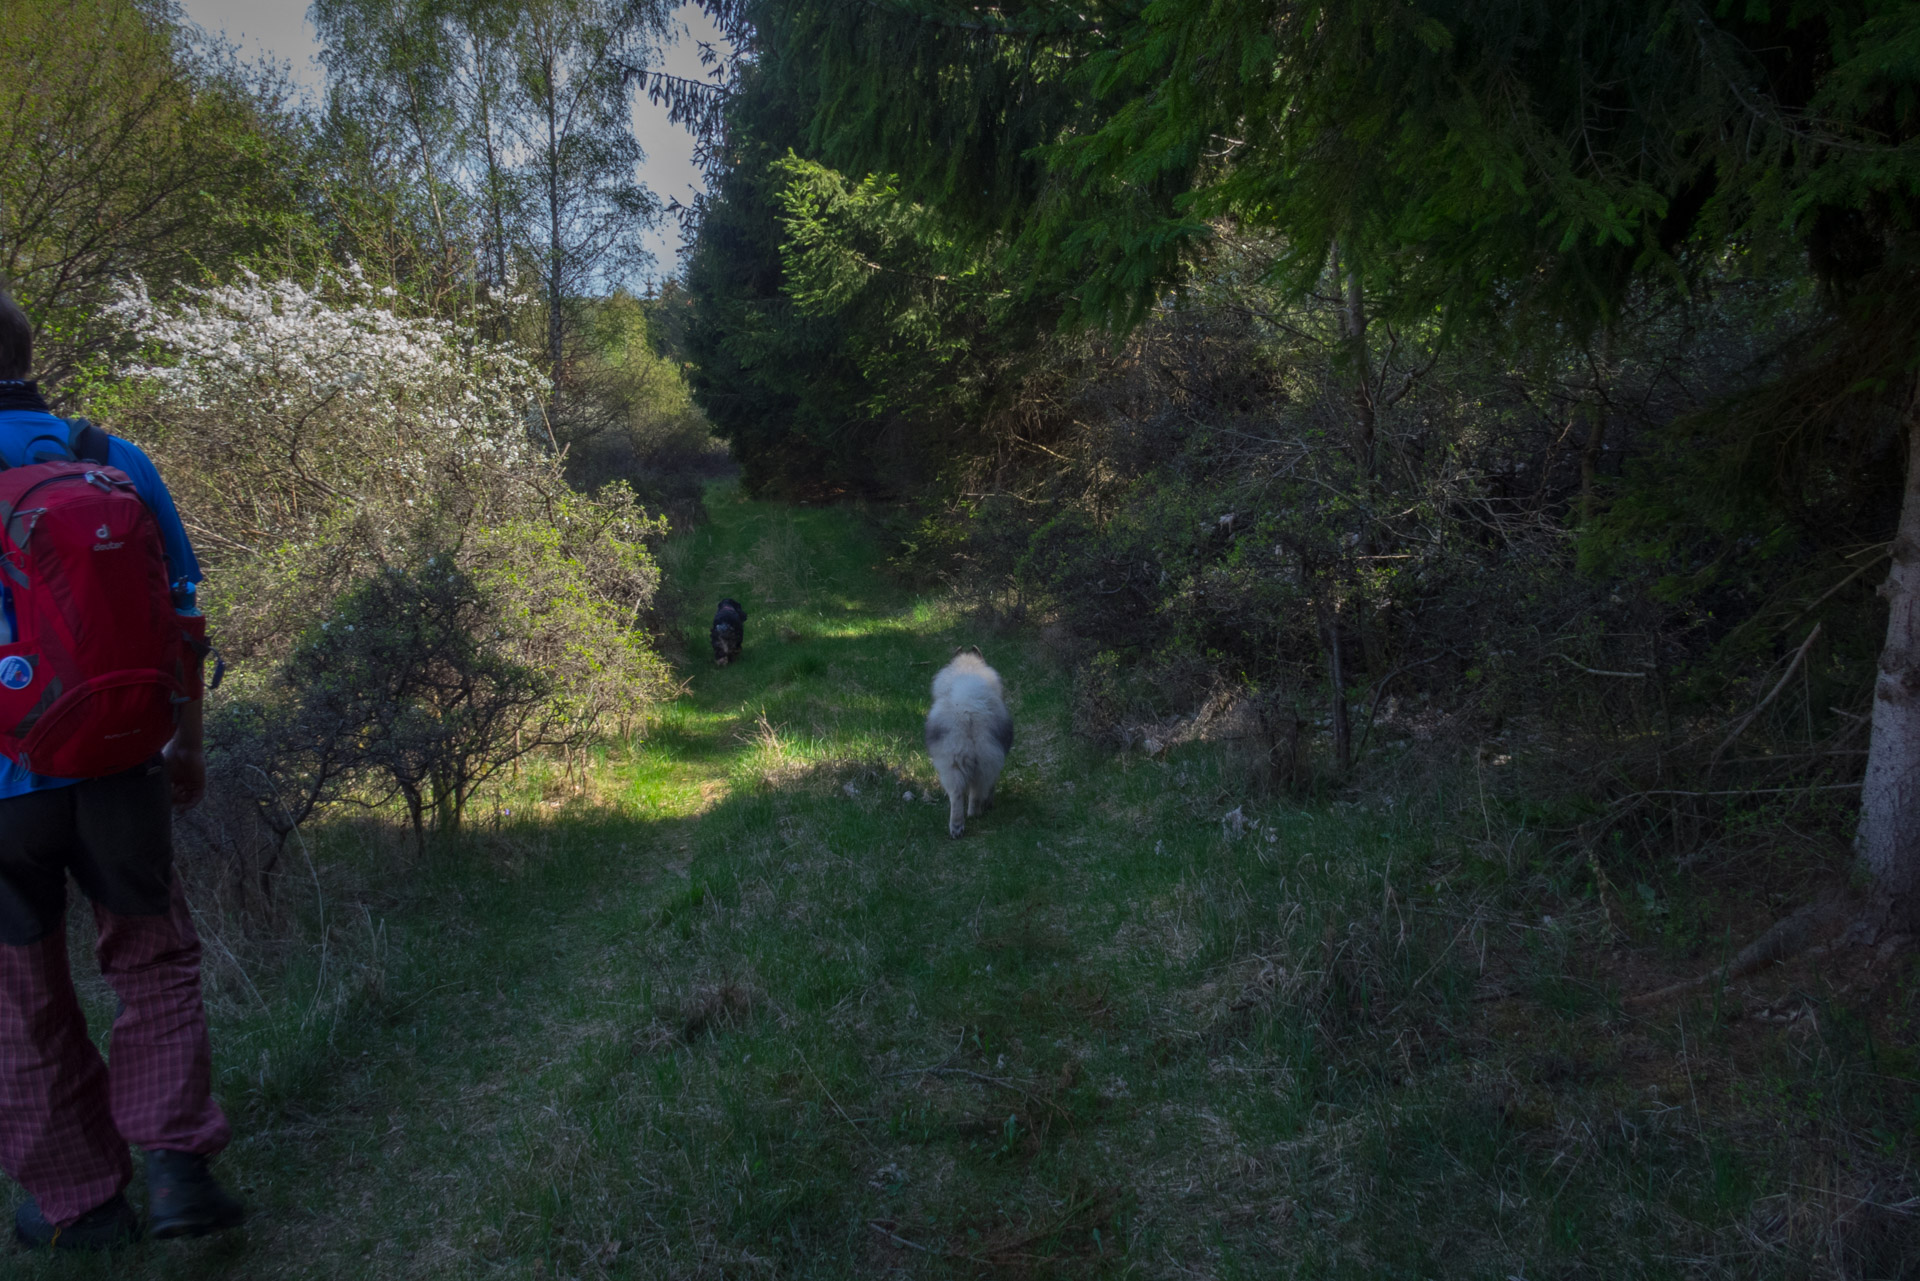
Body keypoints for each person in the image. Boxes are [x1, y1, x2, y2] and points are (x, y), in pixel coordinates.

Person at [0, 290, 243, 1249]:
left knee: (20, 996)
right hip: (120, 766)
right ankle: (179, 1172)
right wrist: (188, 742)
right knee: (152, 962)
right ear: (29, 352)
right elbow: (183, 614)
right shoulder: (107, 460)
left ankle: (79, 1206)